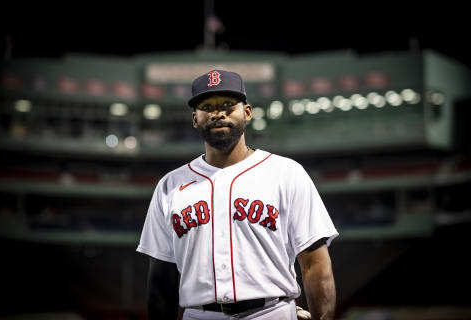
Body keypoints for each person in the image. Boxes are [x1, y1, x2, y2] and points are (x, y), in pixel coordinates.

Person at [137, 70, 338, 320]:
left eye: (228, 105)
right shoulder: (170, 186)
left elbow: (315, 264)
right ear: (194, 119)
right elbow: (160, 280)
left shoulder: (286, 173)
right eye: (207, 106)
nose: (218, 112)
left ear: (247, 112)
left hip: (271, 312)